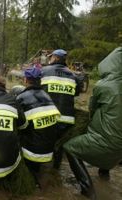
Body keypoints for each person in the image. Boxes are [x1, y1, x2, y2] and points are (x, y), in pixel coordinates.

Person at [64, 47, 122, 199]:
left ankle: (87, 190)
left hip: (108, 141)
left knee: (69, 148)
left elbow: (91, 109)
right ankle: (104, 176)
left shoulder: (103, 86)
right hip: (119, 148)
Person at [15, 67, 61, 186]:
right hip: (49, 148)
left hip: (32, 151)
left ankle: (33, 181)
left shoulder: (21, 98)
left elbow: (18, 124)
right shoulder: (46, 95)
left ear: (25, 80)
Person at [40, 49, 81, 169]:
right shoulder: (73, 75)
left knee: (46, 140)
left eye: (51, 57)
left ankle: (43, 167)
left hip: (48, 116)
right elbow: (76, 93)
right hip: (66, 119)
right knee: (59, 144)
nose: (49, 58)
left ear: (56, 58)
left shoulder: (44, 71)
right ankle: (56, 167)